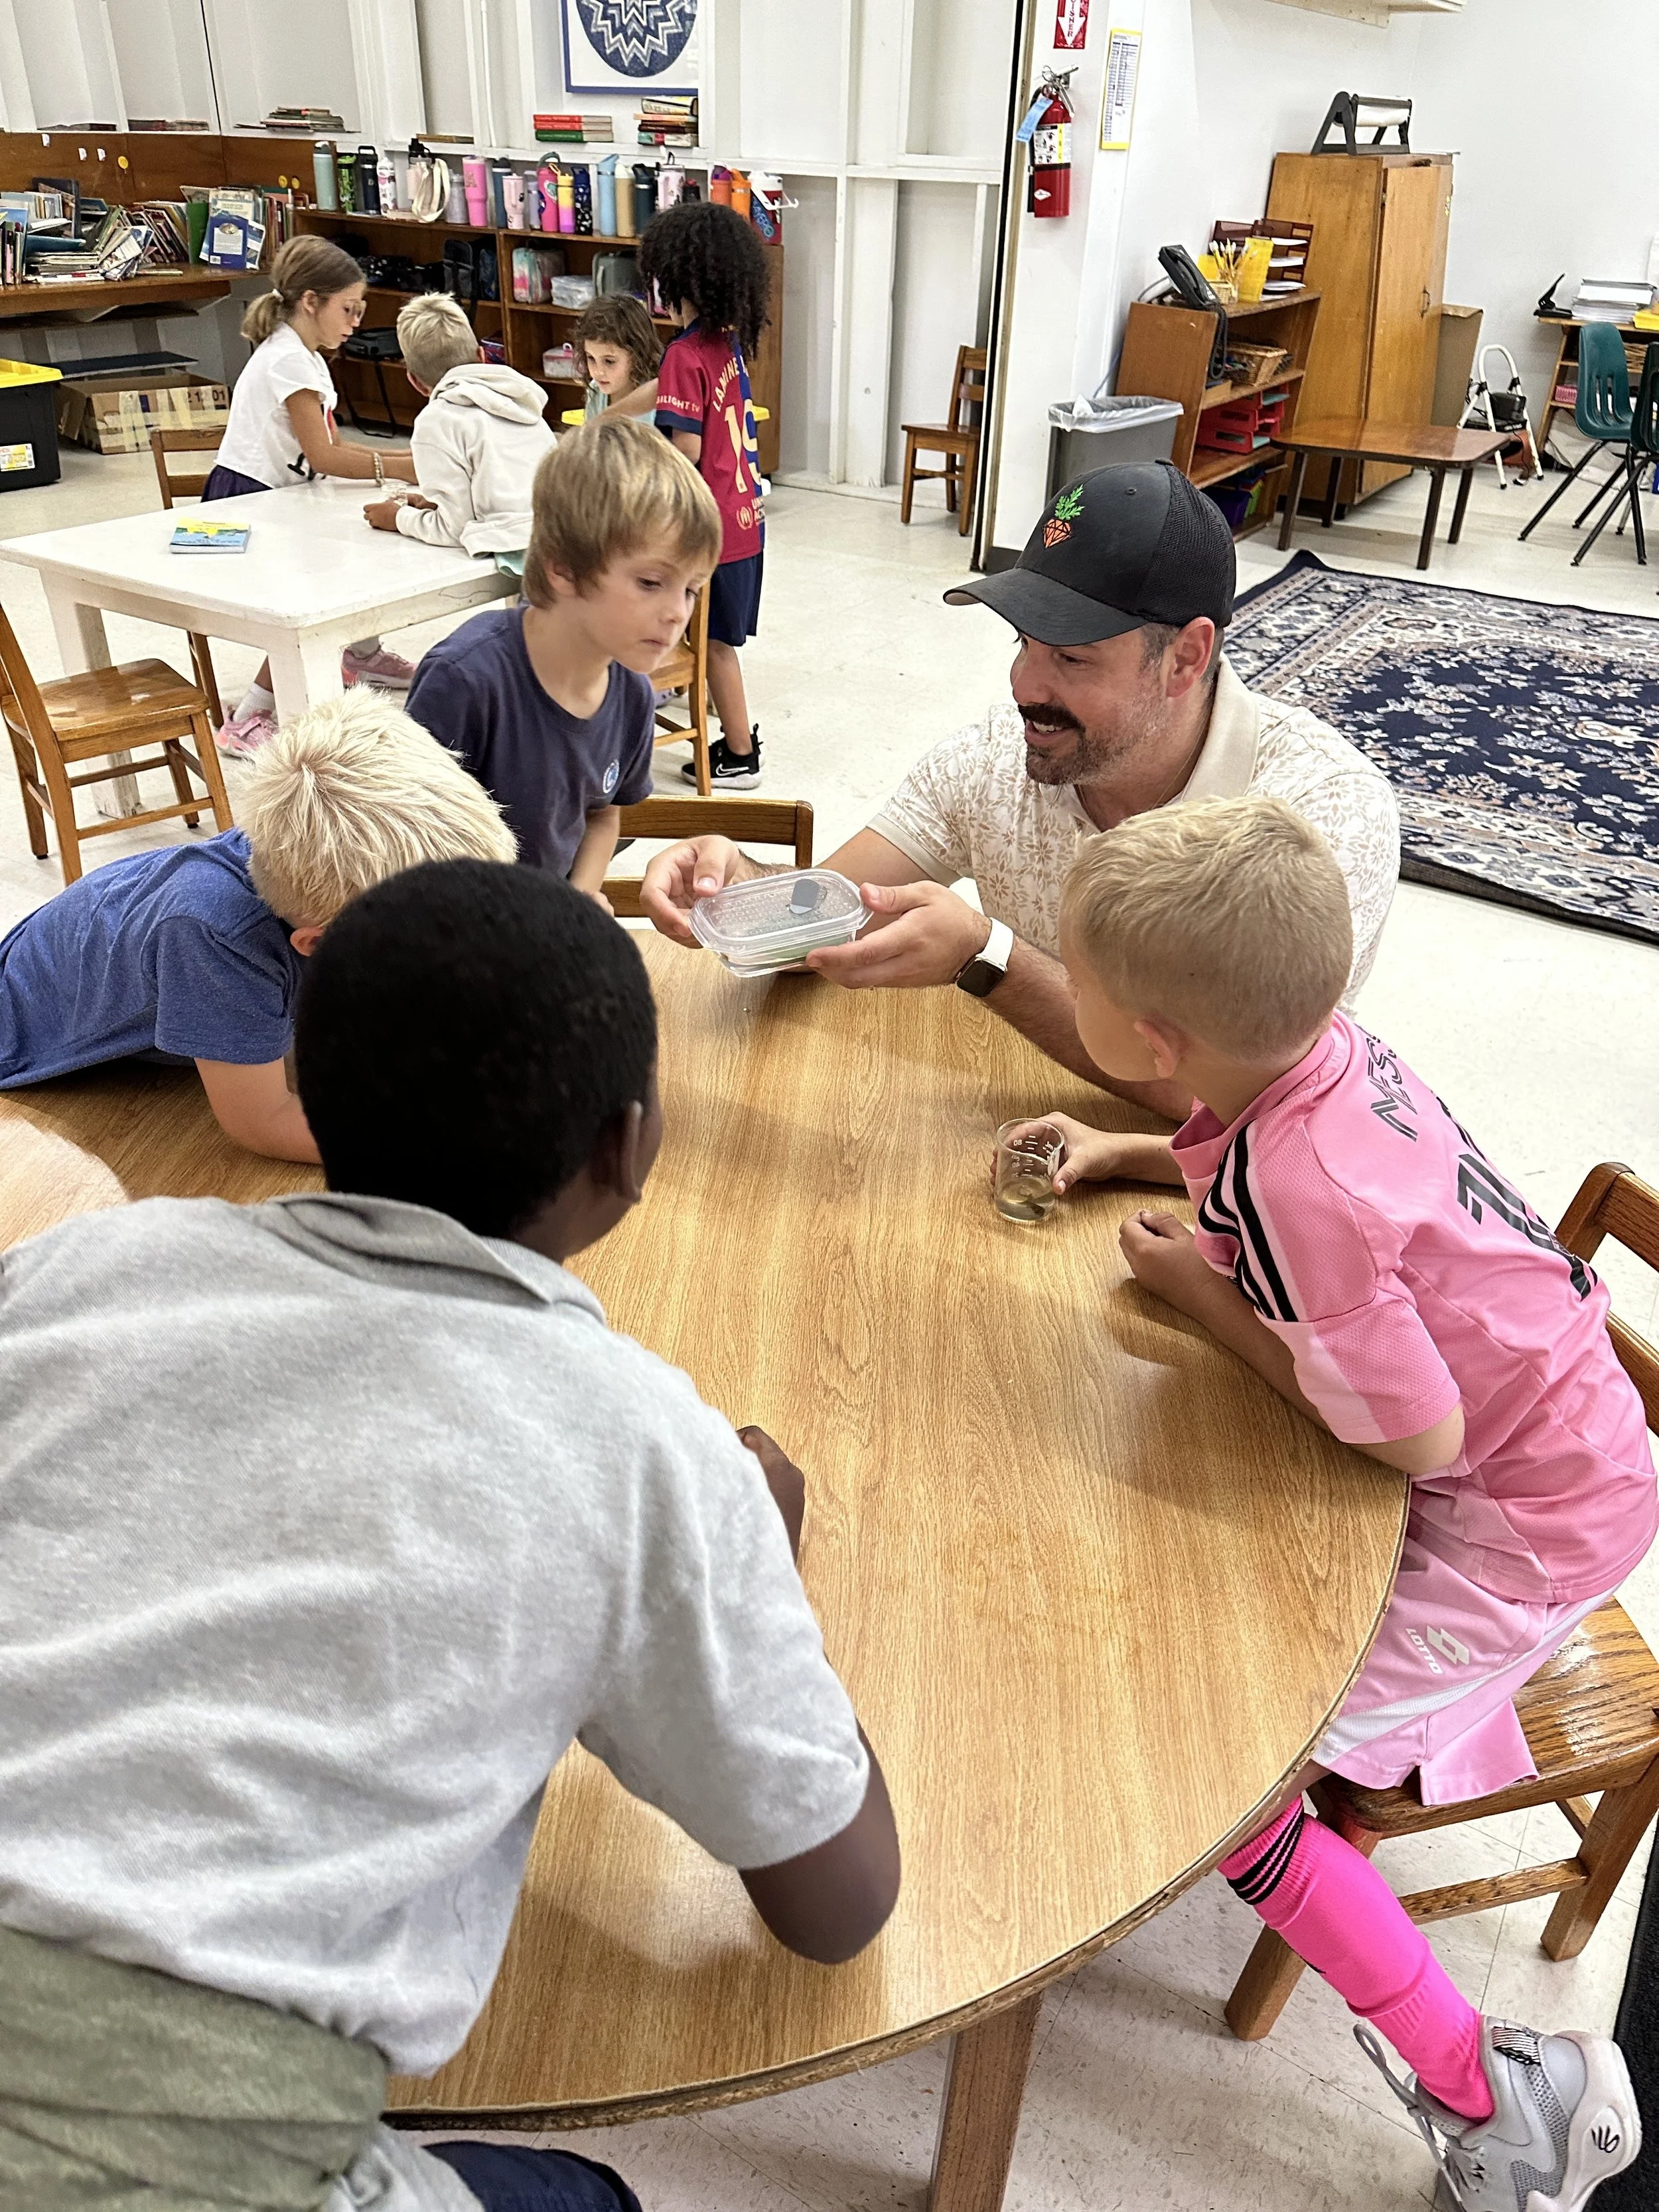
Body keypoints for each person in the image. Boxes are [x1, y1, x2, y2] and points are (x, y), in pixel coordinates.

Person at [0, 859, 901, 2212]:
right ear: (630, 1143)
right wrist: (750, 1563)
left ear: (296, 1080)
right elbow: (838, 1906)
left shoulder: (74, 1270)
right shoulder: (645, 1448)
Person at [1037, 795, 1649, 2212]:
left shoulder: (1294, 1185)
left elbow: (1414, 1437)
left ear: (1153, 1040)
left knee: (1232, 1781)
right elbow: (1262, 1168)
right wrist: (1135, 1155)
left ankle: (1493, 2090)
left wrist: (1196, 1293)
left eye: (1089, 991)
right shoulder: (1329, 1054)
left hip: (1520, 1526)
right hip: (1563, 1442)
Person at [640, 462, 1400, 1119]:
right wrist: (747, 892)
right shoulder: (1001, 759)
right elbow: (836, 908)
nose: (1023, 687)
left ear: (1185, 658)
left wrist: (987, 957)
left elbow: (1237, 1099)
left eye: (1071, 658)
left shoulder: (1320, 818)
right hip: (1018, 1133)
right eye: (1021, 643)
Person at [0, 688, 516, 1162]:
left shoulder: (300, 858)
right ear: (316, 942)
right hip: (20, 1036)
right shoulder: (217, 939)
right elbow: (263, 1122)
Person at [405, 413, 717, 891]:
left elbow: (603, 818)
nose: (678, 612)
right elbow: (404, 843)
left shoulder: (635, 696)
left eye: (691, 589)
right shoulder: (464, 681)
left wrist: (581, 900)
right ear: (565, 570)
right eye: (651, 583)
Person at [208, 236, 421, 755]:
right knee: (310, 593)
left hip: (281, 492)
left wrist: (410, 466)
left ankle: (362, 652)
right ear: (311, 302)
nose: (354, 322)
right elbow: (326, 458)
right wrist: (409, 467)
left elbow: (334, 445)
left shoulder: (303, 352)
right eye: (348, 310)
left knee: (358, 545)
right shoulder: (290, 362)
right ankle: (250, 714)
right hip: (248, 498)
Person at [638, 200, 770, 789]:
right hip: (746, 521)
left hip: (710, 528)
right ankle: (737, 744)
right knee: (719, 645)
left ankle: (740, 756)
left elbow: (684, 453)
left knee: (712, 647)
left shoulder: (683, 355)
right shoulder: (726, 344)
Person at [360, 292, 555, 578]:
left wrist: (399, 519)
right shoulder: (518, 396)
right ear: (481, 356)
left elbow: (453, 530)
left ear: (414, 381)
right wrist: (432, 504)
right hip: (568, 535)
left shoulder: (437, 419)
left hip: (521, 554)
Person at [575, 293, 663, 423]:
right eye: (591, 358)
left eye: (609, 361)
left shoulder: (656, 400)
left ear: (637, 356)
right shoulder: (595, 392)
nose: (598, 372)